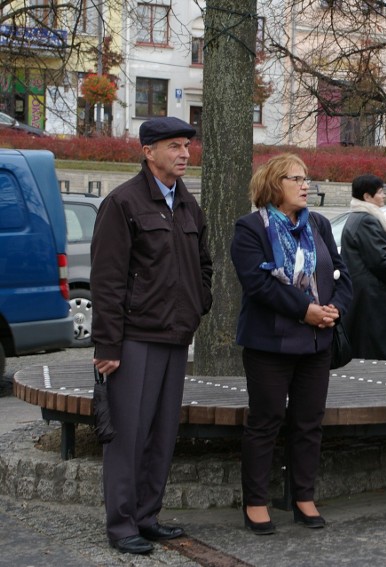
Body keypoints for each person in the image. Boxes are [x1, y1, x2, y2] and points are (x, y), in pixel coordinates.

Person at [91, 116, 213, 554]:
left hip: (175, 337)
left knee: (161, 434)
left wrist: (200, 303)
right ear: (148, 152)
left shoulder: (187, 204)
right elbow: (106, 280)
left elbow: (204, 263)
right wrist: (106, 345)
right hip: (134, 338)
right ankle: (121, 523)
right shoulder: (123, 203)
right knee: (129, 434)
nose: (184, 153)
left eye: (186, 146)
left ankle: (147, 516)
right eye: (174, 146)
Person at [230, 153, 352, 533]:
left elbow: (341, 272)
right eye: (295, 179)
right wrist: (306, 310)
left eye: (306, 178)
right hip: (270, 344)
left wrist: (334, 309)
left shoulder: (318, 223)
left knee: (309, 423)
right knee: (265, 422)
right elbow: (259, 284)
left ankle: (303, 497)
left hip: (317, 342)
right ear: (273, 185)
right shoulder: (251, 228)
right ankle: (256, 502)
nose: (305, 185)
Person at [340, 174, 386, 362]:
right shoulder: (366, 220)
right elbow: (380, 260)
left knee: (365, 343)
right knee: (381, 346)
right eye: (379, 192)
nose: (384, 196)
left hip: (363, 293)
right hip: (372, 295)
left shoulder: (356, 218)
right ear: (367, 197)